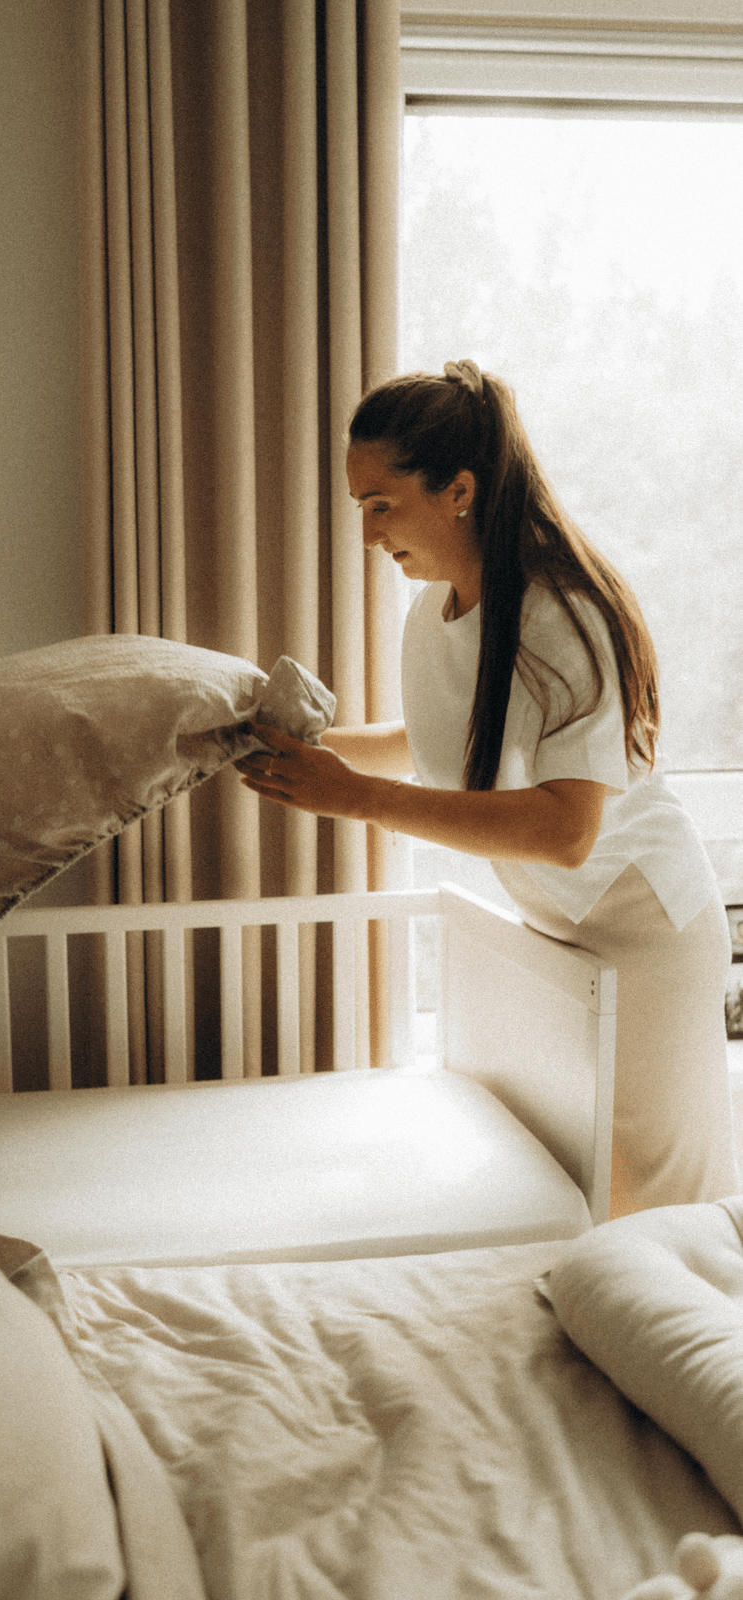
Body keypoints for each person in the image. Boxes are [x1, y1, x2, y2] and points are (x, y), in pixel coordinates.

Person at [237, 359, 738, 1217]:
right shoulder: (437, 611)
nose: (367, 534)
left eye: (380, 505)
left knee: (662, 1201)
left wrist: (351, 798)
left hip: (643, 930)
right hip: (559, 927)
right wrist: (293, 750)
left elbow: (563, 829)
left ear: (458, 489)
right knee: (582, 1186)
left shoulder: (562, 612)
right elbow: (433, 743)